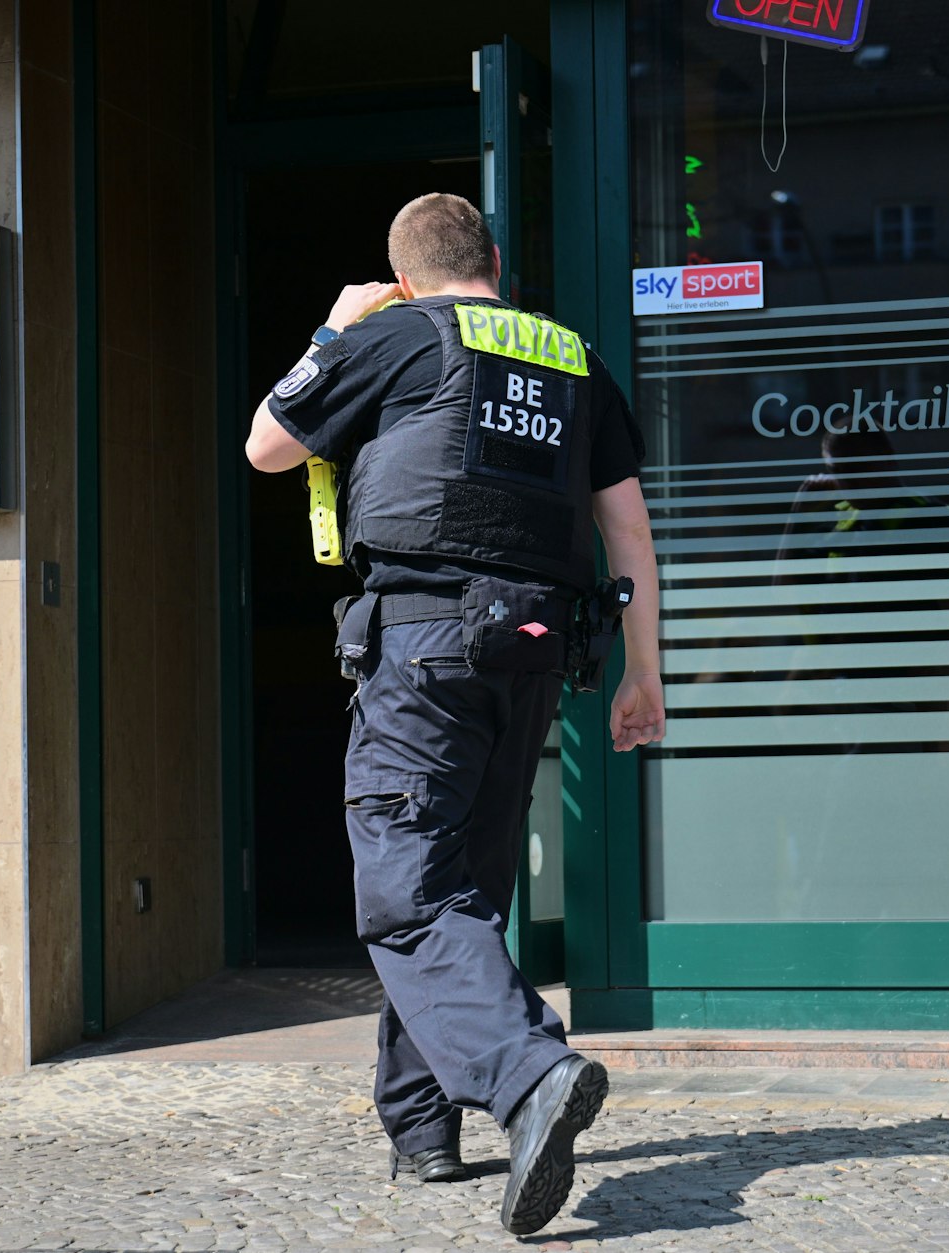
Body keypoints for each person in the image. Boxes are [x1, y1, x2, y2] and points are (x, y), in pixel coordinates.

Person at [244, 193, 664, 1237]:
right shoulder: (571, 356)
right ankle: (423, 1126)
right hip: (530, 654)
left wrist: (332, 330)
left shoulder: (389, 336)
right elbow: (627, 530)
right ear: (496, 261)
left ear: (401, 274)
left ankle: (527, 1076)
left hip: (426, 639)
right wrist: (642, 671)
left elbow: (266, 444)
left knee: (403, 883)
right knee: (455, 890)